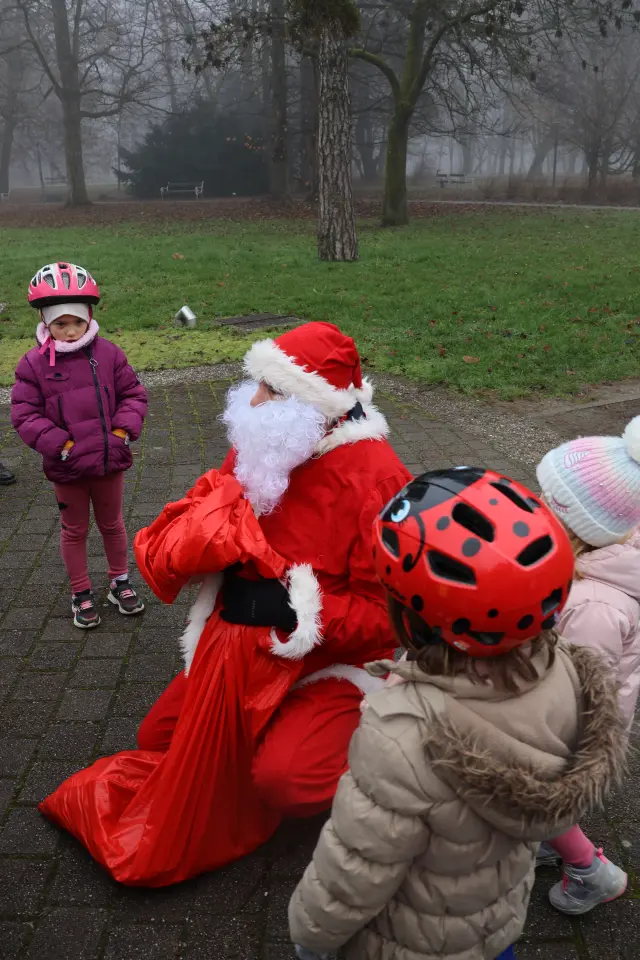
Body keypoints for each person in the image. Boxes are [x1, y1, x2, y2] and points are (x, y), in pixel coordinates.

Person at [38, 321, 412, 886]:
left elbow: (391, 618)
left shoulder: (376, 479)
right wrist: (188, 540)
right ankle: (255, 746)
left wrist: (297, 611)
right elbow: (209, 506)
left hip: (325, 664)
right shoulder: (270, 443)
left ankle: (397, 753)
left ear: (320, 405)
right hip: (238, 651)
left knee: (287, 780)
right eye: (255, 383)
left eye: (274, 390)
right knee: (158, 741)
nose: (254, 401)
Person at [289, 467, 626, 960]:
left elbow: (357, 866)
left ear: (412, 615)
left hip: (411, 941)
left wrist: (311, 937)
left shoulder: (401, 734)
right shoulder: (568, 674)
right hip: (496, 923)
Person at [533, 417, 640, 913]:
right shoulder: (587, 563)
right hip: (562, 714)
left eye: (544, 502)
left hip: (574, 733)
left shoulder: (593, 604)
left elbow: (576, 694)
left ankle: (591, 873)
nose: (531, 508)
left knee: (537, 797)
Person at [11, 261, 147, 628]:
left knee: (113, 524)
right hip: (68, 466)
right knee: (74, 530)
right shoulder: (33, 365)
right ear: (45, 322)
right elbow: (25, 414)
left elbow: (133, 394)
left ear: (89, 317)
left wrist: (122, 432)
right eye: (60, 324)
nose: (70, 332)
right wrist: (61, 445)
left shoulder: (109, 355)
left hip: (108, 460)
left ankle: (119, 580)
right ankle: (81, 592)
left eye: (77, 322)